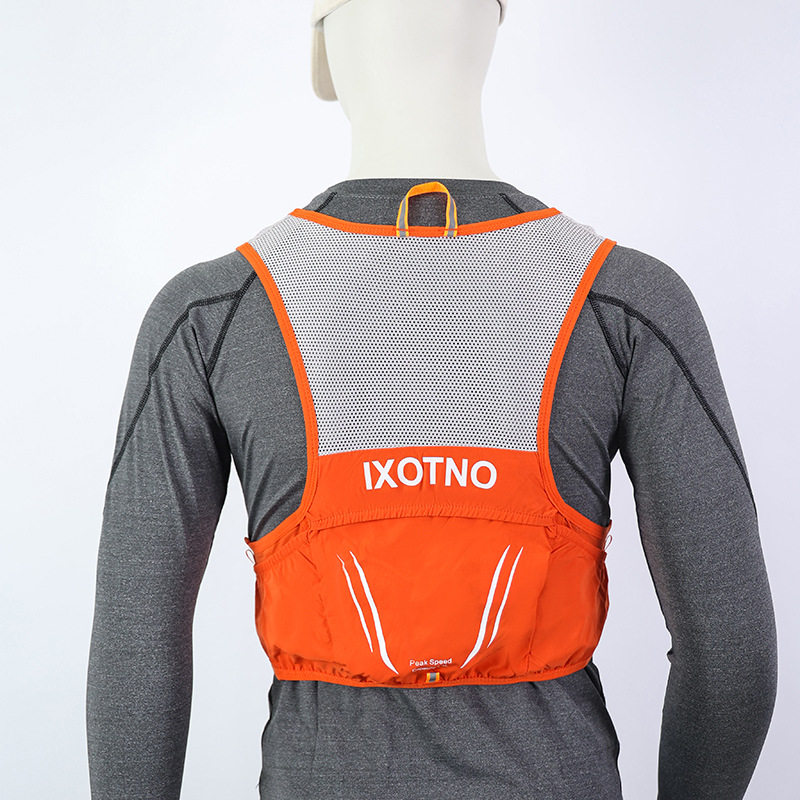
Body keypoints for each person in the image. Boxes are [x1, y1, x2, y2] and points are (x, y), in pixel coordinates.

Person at [86, 1, 778, 798]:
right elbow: (732, 656)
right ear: (489, 29)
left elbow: (136, 646)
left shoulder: (210, 315)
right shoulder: (625, 301)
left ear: (323, 51)